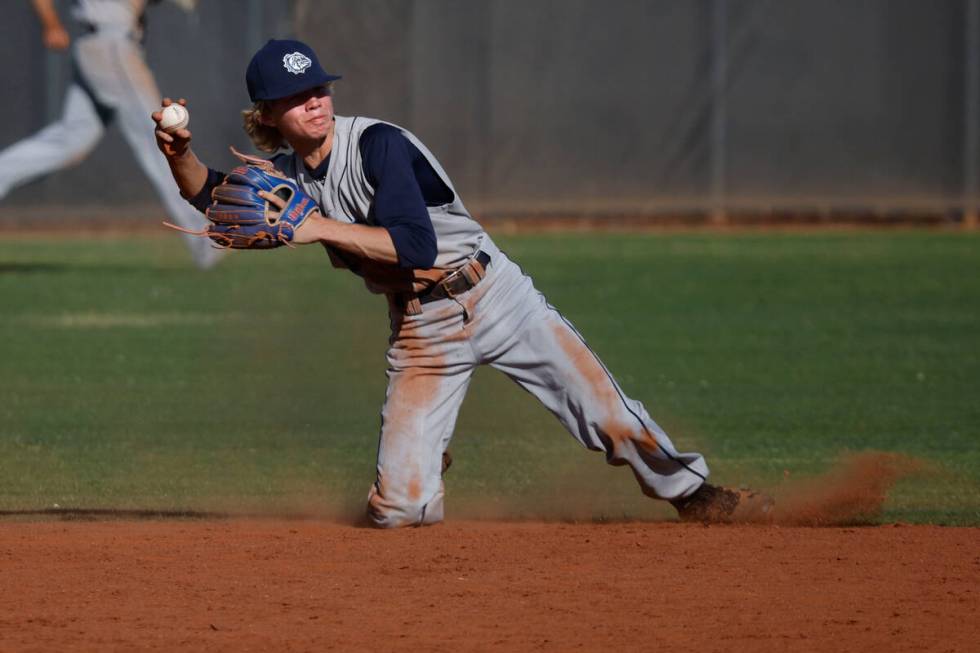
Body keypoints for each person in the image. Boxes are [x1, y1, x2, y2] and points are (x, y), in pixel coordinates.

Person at [153, 38, 773, 527]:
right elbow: (213, 199)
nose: (315, 101)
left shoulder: (378, 146)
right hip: (421, 330)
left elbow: (416, 247)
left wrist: (318, 229)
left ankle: (696, 495)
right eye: (297, 95)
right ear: (267, 115)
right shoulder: (286, 176)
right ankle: (422, 466)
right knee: (401, 512)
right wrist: (178, 150)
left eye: (319, 87)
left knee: (605, 416)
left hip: (493, 295)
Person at [0, 0, 221, 269]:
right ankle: (207, 238)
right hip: (111, 46)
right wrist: (51, 24)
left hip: (103, 43)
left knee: (72, 140)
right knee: (162, 142)